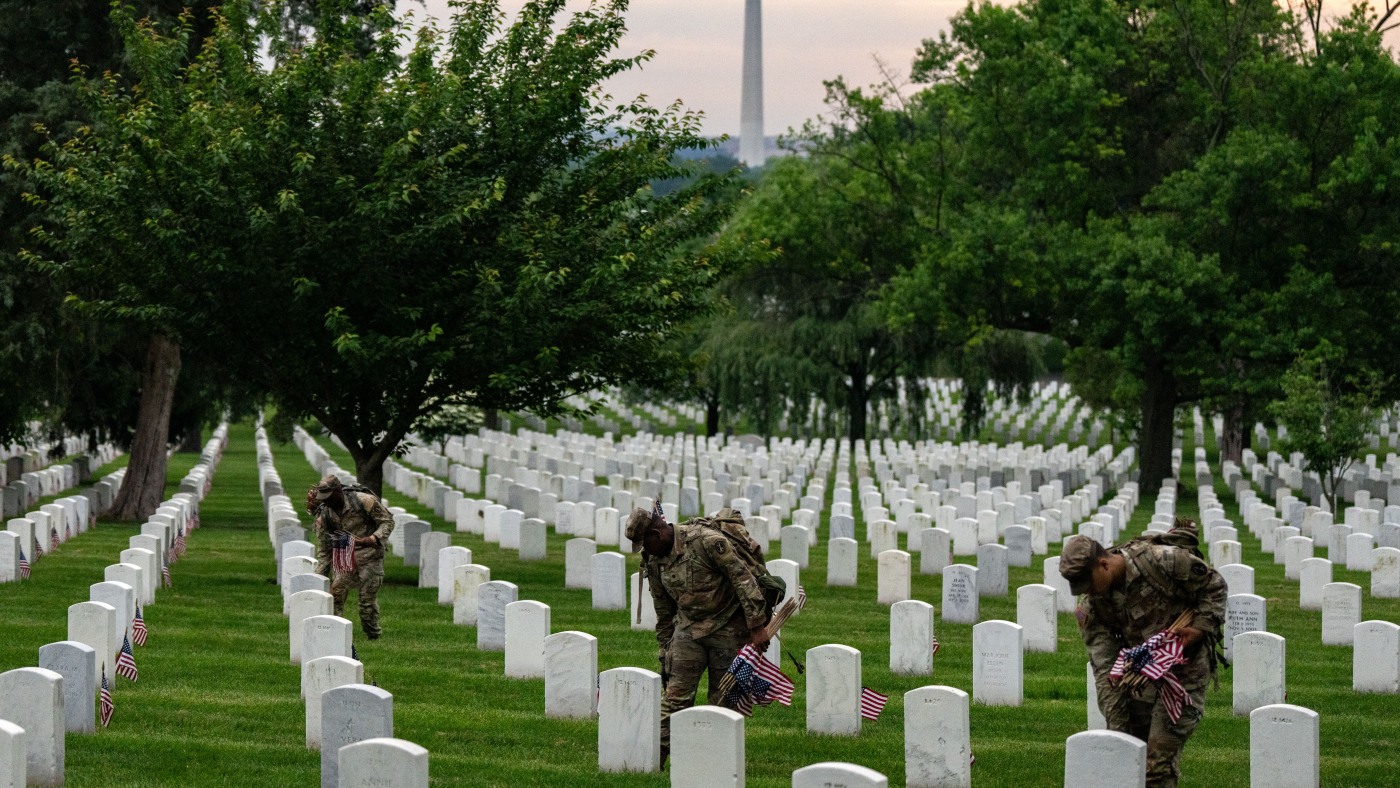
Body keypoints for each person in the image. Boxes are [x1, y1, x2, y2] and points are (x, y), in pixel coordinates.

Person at [1059, 518, 1228, 788]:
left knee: (1155, 765)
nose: (1086, 593)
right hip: (1143, 675)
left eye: (1088, 584)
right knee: (1130, 755)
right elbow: (1106, 671)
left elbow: (1215, 585)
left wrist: (1199, 629)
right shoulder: (1092, 609)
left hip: (1185, 671)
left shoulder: (1162, 561)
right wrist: (1118, 734)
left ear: (1103, 564)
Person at [625, 506, 771, 764]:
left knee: (724, 701)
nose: (644, 552)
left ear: (657, 534)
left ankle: (717, 763)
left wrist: (757, 627)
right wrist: (665, 649)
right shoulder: (654, 560)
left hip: (727, 627)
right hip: (688, 630)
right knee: (673, 700)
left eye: (645, 544)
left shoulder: (707, 541)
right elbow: (663, 608)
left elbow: (742, 580)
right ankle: (652, 762)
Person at [309, 474, 396, 640]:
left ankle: (373, 634)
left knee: (366, 601)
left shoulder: (364, 501)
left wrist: (372, 539)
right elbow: (325, 547)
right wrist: (319, 575)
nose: (325, 501)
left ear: (338, 491)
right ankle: (334, 634)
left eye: (328, 497)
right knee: (335, 593)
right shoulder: (325, 515)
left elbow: (387, 522)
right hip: (343, 554)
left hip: (369, 555)